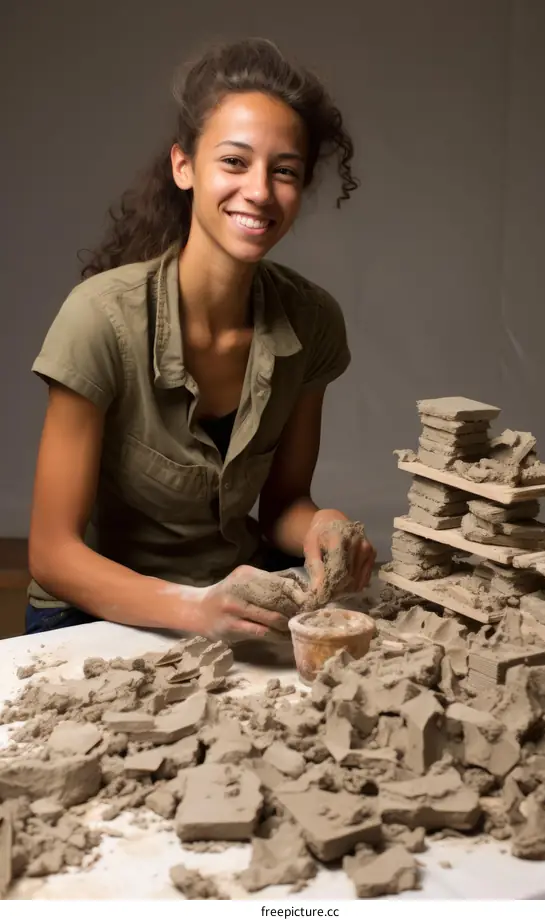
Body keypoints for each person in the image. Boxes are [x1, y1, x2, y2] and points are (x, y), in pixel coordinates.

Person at [26, 37, 376, 640]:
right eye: (235, 162)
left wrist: (323, 524)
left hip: (235, 604)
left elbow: (285, 504)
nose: (261, 191)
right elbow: (52, 553)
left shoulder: (314, 320)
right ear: (184, 166)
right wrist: (193, 609)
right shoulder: (99, 318)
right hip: (92, 610)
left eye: (284, 171)